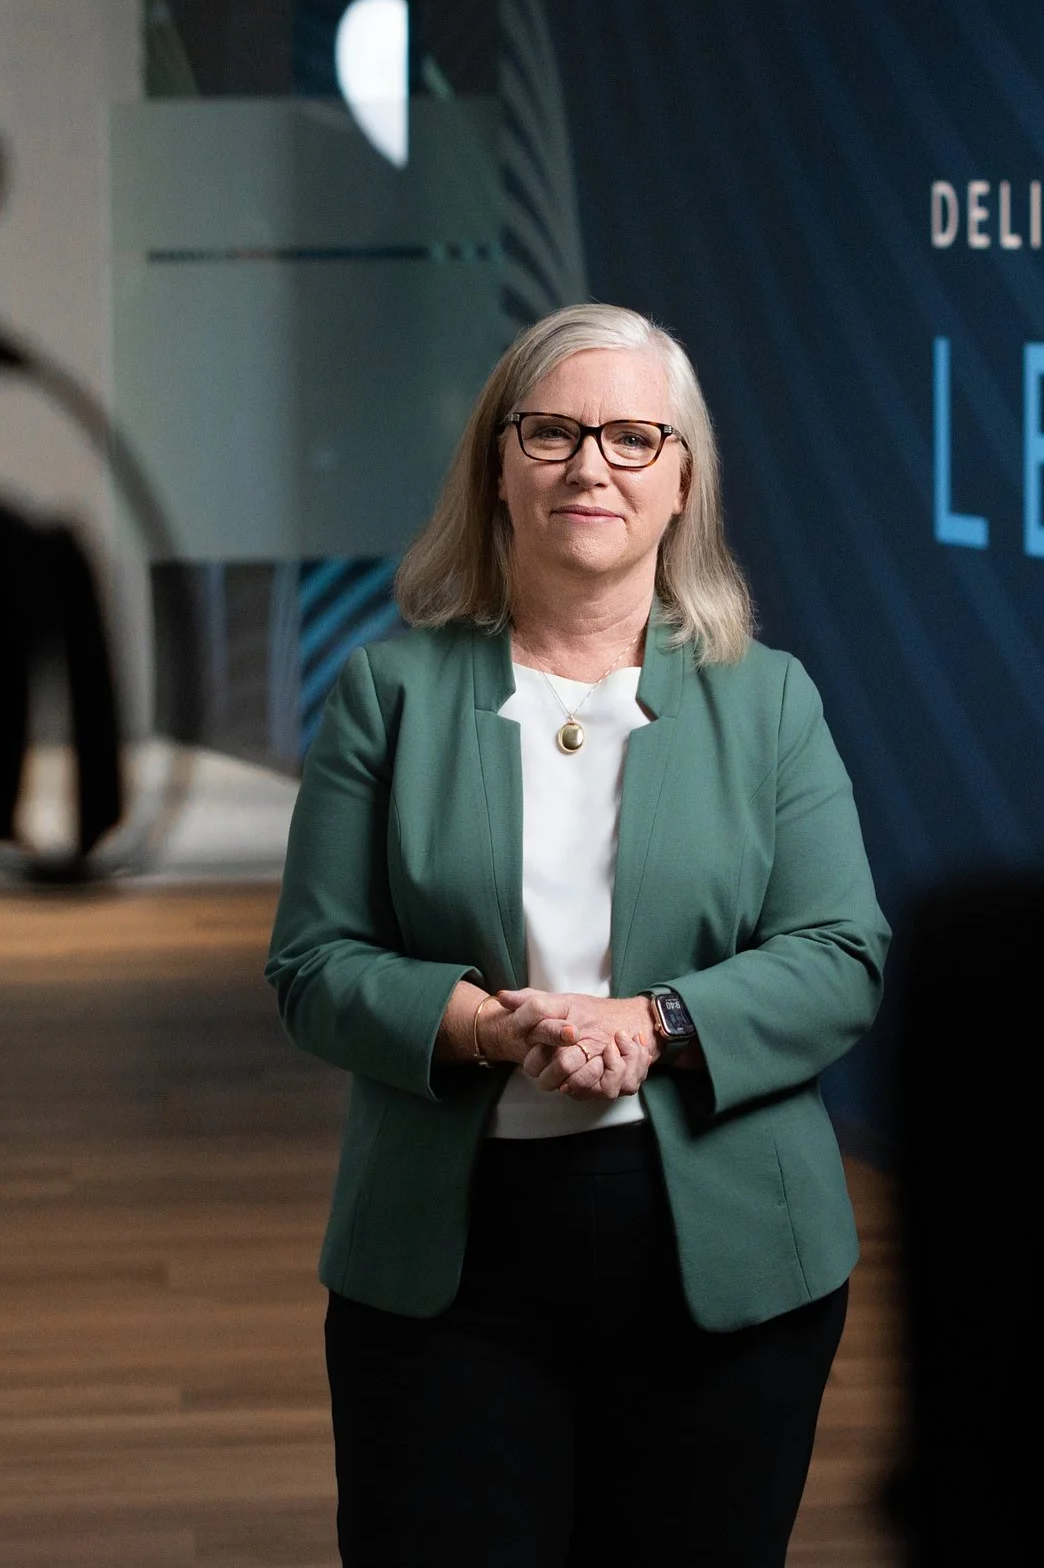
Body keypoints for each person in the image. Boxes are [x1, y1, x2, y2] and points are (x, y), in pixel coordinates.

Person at [265, 302, 888, 1567]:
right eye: (549, 432)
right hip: (447, 1261)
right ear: (498, 466)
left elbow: (839, 954)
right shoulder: (388, 693)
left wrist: (650, 1023)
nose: (588, 465)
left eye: (629, 438)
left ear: (681, 481)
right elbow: (314, 966)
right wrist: (487, 1023)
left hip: (726, 1259)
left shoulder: (768, 698)